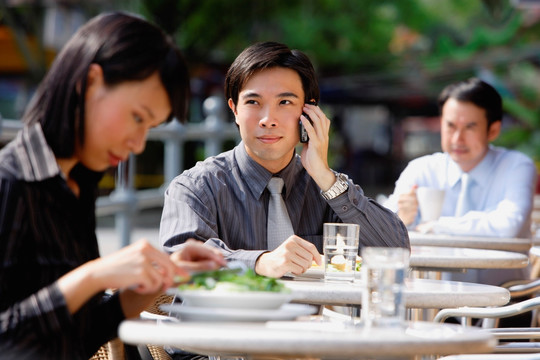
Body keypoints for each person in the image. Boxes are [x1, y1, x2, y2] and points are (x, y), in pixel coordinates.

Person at [0, 12, 226, 359]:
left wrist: (166, 276)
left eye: (149, 127)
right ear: (89, 83)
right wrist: (94, 275)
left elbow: (84, 333)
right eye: (137, 117)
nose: (138, 144)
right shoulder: (11, 181)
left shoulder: (74, 187)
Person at [160, 41, 409, 279]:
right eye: (253, 102)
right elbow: (179, 261)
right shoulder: (196, 187)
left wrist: (325, 177)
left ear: (308, 112)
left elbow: (396, 252)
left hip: (311, 323)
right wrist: (260, 262)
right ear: (234, 109)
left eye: (285, 102)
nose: (268, 119)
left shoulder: (324, 188)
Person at [384, 77, 537, 284]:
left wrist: (436, 226)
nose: (457, 139)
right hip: (430, 303)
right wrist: (401, 218)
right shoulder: (422, 169)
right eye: (450, 126)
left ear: (493, 130)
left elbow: (507, 226)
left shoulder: (516, 167)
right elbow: (381, 228)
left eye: (470, 127)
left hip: (503, 306)